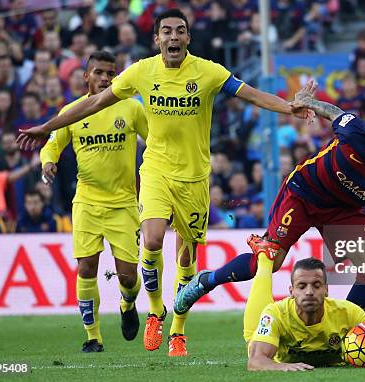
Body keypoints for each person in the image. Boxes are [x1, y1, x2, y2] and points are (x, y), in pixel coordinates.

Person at [17, 9, 311, 357]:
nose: (174, 37)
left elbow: (251, 95)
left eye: (180, 31)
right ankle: (156, 310)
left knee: (186, 259)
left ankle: (178, 330)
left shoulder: (208, 71)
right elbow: (94, 102)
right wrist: (47, 128)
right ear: (156, 39)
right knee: (153, 239)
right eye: (167, 31)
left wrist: (288, 107)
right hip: (155, 170)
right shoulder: (142, 71)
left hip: (195, 177)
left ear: (188, 38)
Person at [175, 82, 365, 336]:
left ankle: (349, 336)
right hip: (303, 193)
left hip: (342, 211)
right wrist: (306, 102)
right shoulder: (357, 134)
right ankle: (206, 281)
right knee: (269, 260)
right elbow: (333, 112)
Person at [39, 50, 148, 353]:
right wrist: (47, 163)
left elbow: (156, 140)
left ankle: (128, 303)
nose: (104, 78)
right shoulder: (72, 112)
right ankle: (92, 336)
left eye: (110, 74)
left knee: (127, 276)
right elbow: (51, 146)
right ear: (86, 76)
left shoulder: (131, 109)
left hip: (124, 204)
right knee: (86, 268)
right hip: (86, 202)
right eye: (98, 73)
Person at [247, 258, 365, 370]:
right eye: (301, 286)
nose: (309, 292)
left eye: (316, 285)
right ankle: (264, 259)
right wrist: (282, 366)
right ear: (291, 291)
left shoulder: (348, 312)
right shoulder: (276, 313)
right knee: (252, 340)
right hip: (266, 337)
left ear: (326, 289)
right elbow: (255, 362)